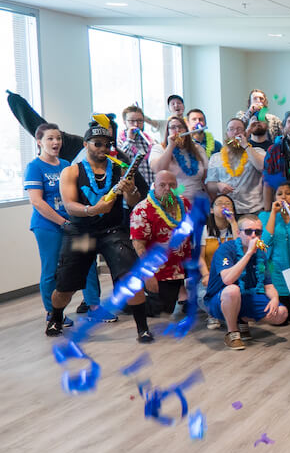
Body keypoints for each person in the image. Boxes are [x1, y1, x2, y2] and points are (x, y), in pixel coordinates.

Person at [47, 120, 151, 340]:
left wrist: (131, 189)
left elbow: (134, 201)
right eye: (97, 144)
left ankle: (142, 328)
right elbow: (69, 206)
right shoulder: (71, 171)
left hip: (112, 230)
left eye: (107, 144)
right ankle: (56, 317)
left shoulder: (120, 170)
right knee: (66, 285)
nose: (103, 148)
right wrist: (93, 209)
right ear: (86, 144)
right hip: (82, 232)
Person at [25, 123, 101, 318]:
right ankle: (53, 313)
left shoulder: (67, 165)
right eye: (50, 138)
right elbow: (37, 202)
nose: (56, 142)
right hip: (48, 226)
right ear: (39, 142)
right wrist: (62, 222)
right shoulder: (34, 167)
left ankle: (94, 306)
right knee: (51, 269)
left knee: (88, 262)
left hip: (75, 224)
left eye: (58, 138)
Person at [205, 215, 287, 349]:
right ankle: (233, 333)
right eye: (248, 232)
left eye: (258, 232)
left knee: (281, 313)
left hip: (247, 296)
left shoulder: (260, 253)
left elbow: (268, 285)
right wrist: (248, 253)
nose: (254, 236)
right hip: (219, 299)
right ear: (238, 233)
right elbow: (228, 279)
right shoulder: (226, 249)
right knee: (233, 290)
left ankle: (241, 319)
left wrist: (275, 299)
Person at [130, 170, 193, 318]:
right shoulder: (142, 210)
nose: (167, 188)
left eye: (172, 185)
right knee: (162, 310)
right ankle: (133, 299)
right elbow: (138, 245)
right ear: (154, 186)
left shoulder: (183, 203)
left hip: (183, 264)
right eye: (162, 185)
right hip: (160, 270)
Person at [260, 185, 290, 324]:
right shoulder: (264, 216)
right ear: (275, 198)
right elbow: (264, 243)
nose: (284, 196)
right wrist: (273, 214)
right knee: (280, 319)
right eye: (279, 194)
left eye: (288, 193)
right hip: (275, 274)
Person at [205, 116, 265, 213]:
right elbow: (209, 185)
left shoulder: (257, 152)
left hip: (252, 209)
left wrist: (245, 146)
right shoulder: (216, 157)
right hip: (226, 210)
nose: (235, 132)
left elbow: (262, 167)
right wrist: (218, 185)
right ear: (227, 134)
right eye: (231, 129)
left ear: (245, 133)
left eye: (239, 129)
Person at [151, 115, 207, 199]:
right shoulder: (159, 148)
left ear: (186, 130)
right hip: (172, 200)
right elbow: (158, 170)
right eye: (173, 127)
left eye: (180, 127)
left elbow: (205, 177)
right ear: (168, 131)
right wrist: (170, 146)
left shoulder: (198, 149)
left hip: (197, 201)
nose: (177, 130)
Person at [118, 105, 155, 188]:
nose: (136, 124)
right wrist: (129, 140)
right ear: (124, 122)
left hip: (150, 187)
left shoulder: (149, 140)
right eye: (132, 121)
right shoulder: (120, 141)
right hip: (132, 190)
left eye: (140, 121)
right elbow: (122, 162)